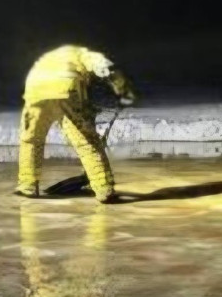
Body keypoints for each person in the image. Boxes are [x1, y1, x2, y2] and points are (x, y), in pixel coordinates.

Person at [14, 45, 136, 203]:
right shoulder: (82, 54)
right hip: (65, 89)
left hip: (34, 93)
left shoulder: (47, 59)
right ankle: (104, 190)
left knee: (30, 141)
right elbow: (105, 67)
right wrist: (123, 89)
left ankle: (27, 187)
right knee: (87, 143)